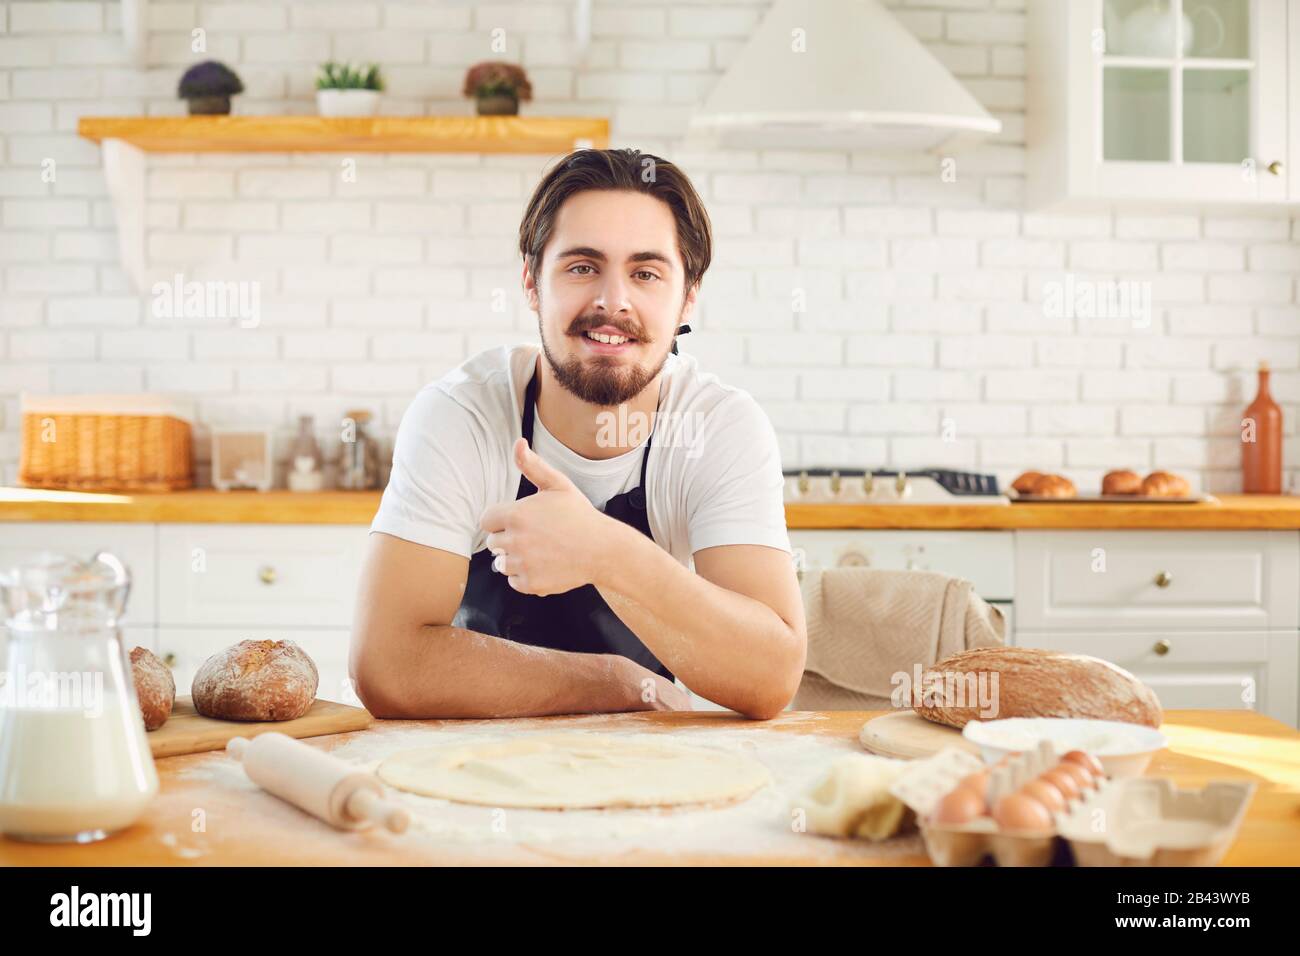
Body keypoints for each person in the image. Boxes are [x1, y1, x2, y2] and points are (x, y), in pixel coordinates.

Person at [350, 148, 805, 719]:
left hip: (652, 773)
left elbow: (770, 679)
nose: (612, 301)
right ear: (532, 282)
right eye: (582, 267)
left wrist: (604, 552)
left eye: (645, 273)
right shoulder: (460, 414)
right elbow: (387, 665)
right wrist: (613, 682)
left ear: (688, 295)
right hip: (472, 761)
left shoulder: (719, 428)